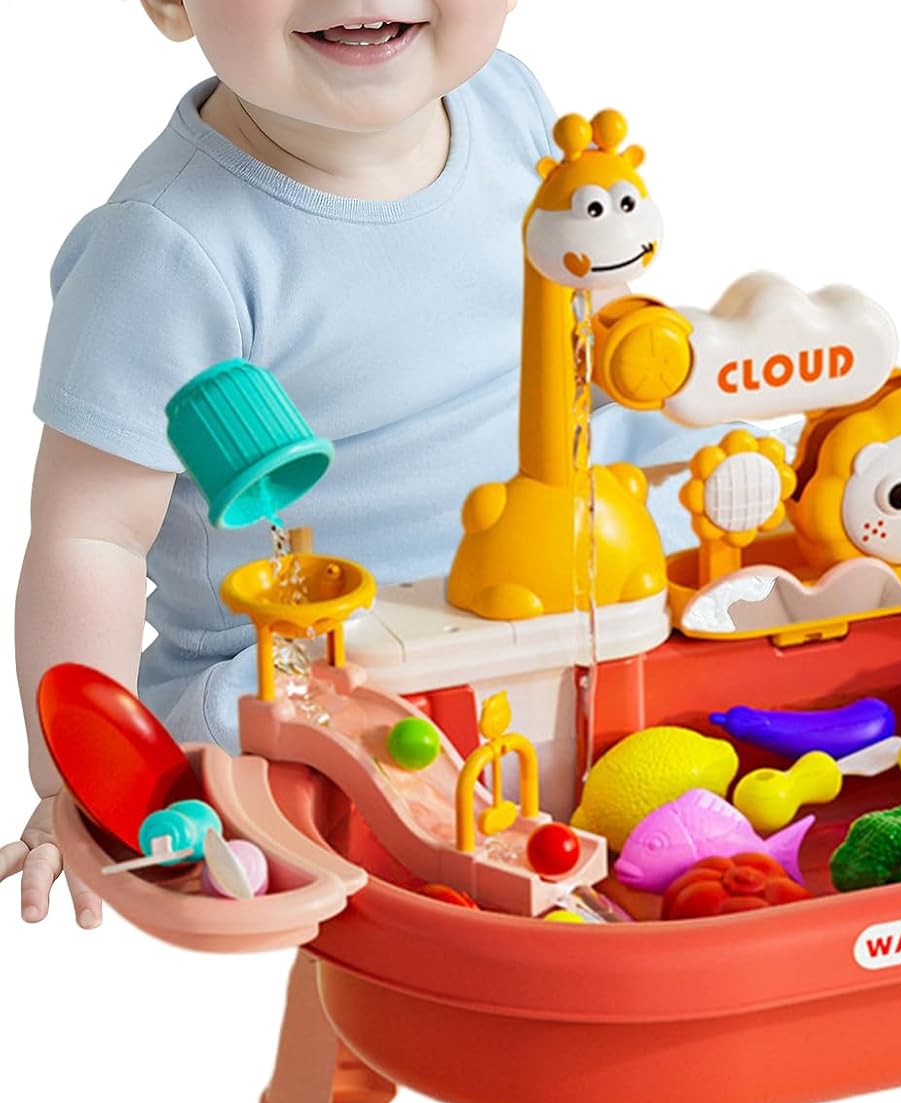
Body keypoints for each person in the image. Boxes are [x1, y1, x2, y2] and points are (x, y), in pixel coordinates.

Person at [5, 1, 717, 925]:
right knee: (288, 741)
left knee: (756, 488)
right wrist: (77, 783)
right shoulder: (168, 249)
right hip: (331, 653)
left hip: (566, 564)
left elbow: (584, 327)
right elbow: (90, 535)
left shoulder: (507, 101)